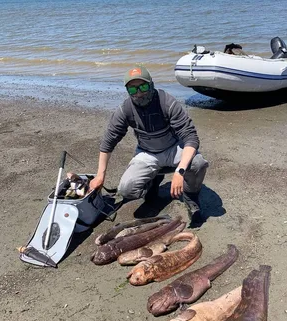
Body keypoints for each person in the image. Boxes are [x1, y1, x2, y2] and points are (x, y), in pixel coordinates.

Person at [89, 65, 209, 225]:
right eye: (132, 90)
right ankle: (152, 183)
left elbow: (191, 138)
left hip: (173, 148)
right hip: (147, 153)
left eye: (143, 87)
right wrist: (100, 176)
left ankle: (191, 197)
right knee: (126, 189)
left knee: (198, 164)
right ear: (127, 91)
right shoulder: (125, 109)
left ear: (151, 84)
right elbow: (109, 141)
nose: (138, 93)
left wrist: (180, 172)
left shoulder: (167, 102)